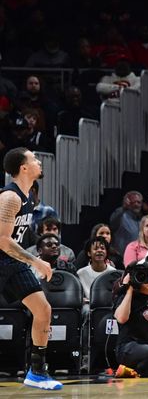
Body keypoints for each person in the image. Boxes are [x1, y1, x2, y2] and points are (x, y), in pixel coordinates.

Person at [0, 148, 62, 389]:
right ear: (23, 168)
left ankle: (36, 372)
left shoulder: (27, 197)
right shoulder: (10, 198)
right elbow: (3, 240)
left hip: (10, 261)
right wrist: (35, 260)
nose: (38, 161)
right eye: (34, 159)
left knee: (43, 310)